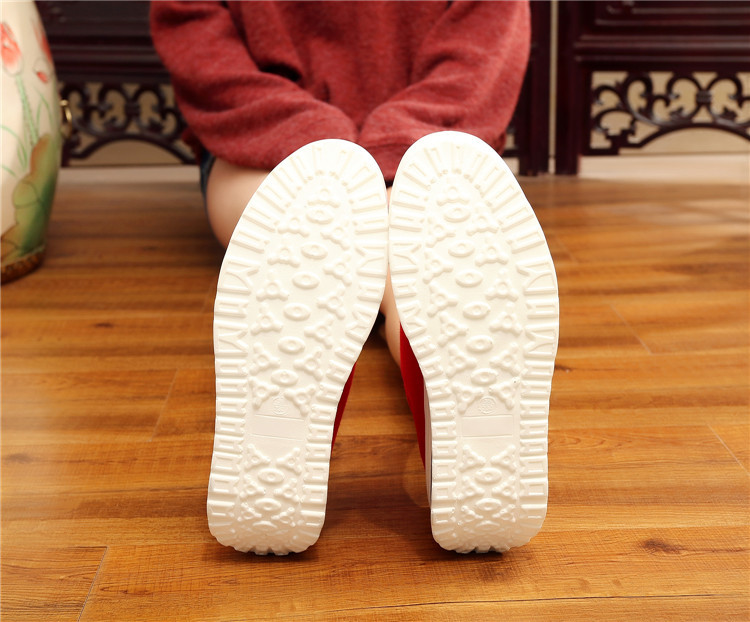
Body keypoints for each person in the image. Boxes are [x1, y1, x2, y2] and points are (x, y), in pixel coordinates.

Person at [151, 1, 557, 556]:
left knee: (317, 220)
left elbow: (483, 42)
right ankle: (448, 415)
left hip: (425, 148)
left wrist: (372, 146)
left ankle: (279, 438)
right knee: (395, 246)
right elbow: (200, 39)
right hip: (268, 136)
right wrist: (327, 143)